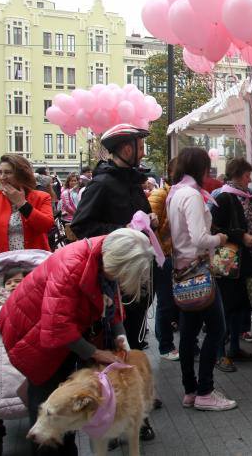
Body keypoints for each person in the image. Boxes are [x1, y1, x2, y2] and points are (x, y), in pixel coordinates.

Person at [0, 228, 154, 455]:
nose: (121, 281)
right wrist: (95, 353)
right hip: (31, 335)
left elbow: (112, 304)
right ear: (115, 263)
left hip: (59, 331)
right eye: (121, 275)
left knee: (70, 402)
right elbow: (57, 327)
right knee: (48, 396)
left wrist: (121, 337)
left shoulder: (105, 255)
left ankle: (66, 446)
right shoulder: (72, 266)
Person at [70, 124, 156, 351]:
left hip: (137, 273)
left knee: (136, 337)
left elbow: (142, 214)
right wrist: (122, 230)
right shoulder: (102, 184)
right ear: (127, 150)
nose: (143, 152)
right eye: (140, 147)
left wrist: (151, 218)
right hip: (117, 277)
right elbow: (80, 226)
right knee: (121, 342)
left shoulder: (131, 181)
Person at [167, 147, 236, 412]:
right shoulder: (192, 195)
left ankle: (191, 390)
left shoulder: (175, 193)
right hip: (198, 270)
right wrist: (219, 239)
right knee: (217, 329)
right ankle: (205, 391)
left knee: (188, 333)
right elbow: (199, 238)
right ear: (200, 169)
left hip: (181, 271)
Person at [210, 158, 252, 372]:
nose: (249, 179)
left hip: (247, 262)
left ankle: (234, 347)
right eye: (247, 175)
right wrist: (240, 235)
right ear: (238, 175)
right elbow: (214, 228)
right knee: (227, 309)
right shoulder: (224, 198)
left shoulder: (248, 198)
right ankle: (219, 353)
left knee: (240, 309)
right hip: (230, 265)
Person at [0, 155, 54, 264]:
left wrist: (22, 204)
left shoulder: (41, 197)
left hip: (33, 265)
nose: (2, 177)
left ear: (22, 175)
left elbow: (46, 226)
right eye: (0, 172)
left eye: (8, 172)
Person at [147, 159, 179, 361]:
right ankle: (165, 344)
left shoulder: (180, 194)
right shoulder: (161, 194)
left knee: (174, 301)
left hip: (176, 255)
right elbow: (148, 227)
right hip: (162, 257)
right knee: (165, 302)